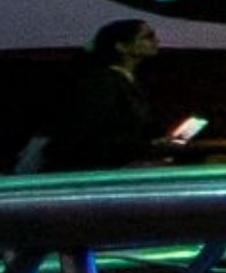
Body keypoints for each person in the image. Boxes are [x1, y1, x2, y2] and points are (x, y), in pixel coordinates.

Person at [22, 19, 160, 171]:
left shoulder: (122, 81)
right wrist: (146, 147)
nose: (156, 41)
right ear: (122, 46)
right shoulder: (102, 84)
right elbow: (87, 136)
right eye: (147, 36)